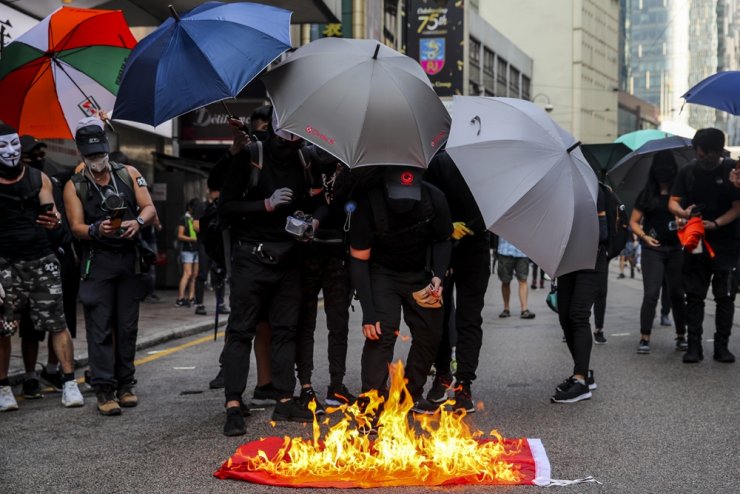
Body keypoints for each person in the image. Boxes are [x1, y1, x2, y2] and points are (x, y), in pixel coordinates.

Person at [218, 118, 322, 436]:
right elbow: (225, 207)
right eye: (285, 134)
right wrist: (266, 204)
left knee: (285, 331)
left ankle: (286, 397)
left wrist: (312, 222)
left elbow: (319, 202)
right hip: (252, 256)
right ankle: (233, 404)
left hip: (289, 257)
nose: (290, 140)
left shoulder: (306, 157)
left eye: (296, 136)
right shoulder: (252, 154)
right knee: (240, 331)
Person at [64, 116, 157, 415]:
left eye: (101, 155)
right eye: (91, 157)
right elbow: (76, 226)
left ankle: (126, 384)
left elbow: (150, 207)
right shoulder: (74, 185)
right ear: (81, 155)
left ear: (107, 150)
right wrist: (95, 230)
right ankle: (104, 390)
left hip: (128, 258)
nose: (98, 161)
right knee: (100, 326)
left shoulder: (129, 173)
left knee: (127, 326)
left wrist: (137, 222)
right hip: (98, 261)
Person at [350, 166, 453, 416]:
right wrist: (368, 313)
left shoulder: (434, 198)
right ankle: (373, 402)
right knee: (381, 333)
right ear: (386, 188)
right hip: (382, 273)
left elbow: (443, 240)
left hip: (421, 273)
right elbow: (359, 259)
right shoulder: (369, 202)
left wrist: (438, 276)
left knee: (431, 333)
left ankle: (410, 394)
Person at [0, 123, 84, 412]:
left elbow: (53, 216)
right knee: (4, 327)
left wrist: (55, 221)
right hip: (5, 266)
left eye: (13, 145)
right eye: (3, 147)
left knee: (58, 323)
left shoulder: (40, 179)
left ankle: (69, 382)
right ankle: (4, 389)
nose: (10, 152)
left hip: (41, 260)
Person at [424, 150, 490, 413]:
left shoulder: (486, 162)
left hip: (475, 247)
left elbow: (494, 209)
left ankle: (464, 383)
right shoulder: (438, 160)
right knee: (438, 315)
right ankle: (442, 376)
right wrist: (446, 228)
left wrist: (472, 226)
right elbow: (427, 199)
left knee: (469, 318)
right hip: (443, 246)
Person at [669, 128, 740, 364]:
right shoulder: (688, 171)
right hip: (696, 242)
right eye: (699, 154)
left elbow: (737, 207)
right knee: (694, 296)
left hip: (727, 244)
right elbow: (673, 201)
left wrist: (716, 224)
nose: (702, 158)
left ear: (717, 151)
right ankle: (694, 346)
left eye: (705, 154)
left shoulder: (732, 170)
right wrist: (683, 212)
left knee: (725, 297)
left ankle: (722, 346)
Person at [17, 134, 80, 397]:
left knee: (60, 318)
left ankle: (55, 370)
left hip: (58, 259)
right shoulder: (13, 184)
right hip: (22, 260)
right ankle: (30, 375)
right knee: (28, 326)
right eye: (32, 155)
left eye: (41, 153)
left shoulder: (53, 180)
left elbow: (77, 170)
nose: (38, 158)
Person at [294, 145, 356, 410]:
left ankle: (336, 385)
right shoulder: (305, 160)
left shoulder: (349, 165)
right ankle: (306, 386)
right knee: (306, 322)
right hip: (307, 252)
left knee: (338, 323)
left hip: (338, 254)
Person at [551, 188, 607, 404]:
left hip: (591, 259)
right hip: (568, 260)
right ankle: (583, 371)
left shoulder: (594, 189)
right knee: (564, 316)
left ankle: (581, 381)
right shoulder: (561, 190)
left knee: (577, 315)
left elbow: (602, 233)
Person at [629, 151, 687, 354]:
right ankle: (645, 337)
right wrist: (644, 237)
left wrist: (684, 221)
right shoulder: (647, 194)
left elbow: (691, 219)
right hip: (653, 250)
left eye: (668, 169)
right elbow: (633, 222)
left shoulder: (681, 195)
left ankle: (681, 335)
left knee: (678, 294)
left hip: (676, 249)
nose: (664, 173)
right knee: (651, 294)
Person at [495, 237, 536, 319]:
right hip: (504, 250)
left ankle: (524, 309)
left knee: (523, 280)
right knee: (505, 281)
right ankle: (506, 309)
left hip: (522, 251)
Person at [175, 198, 200, 307]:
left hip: (196, 249)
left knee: (194, 275)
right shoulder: (184, 219)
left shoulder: (197, 218)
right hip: (187, 250)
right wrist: (192, 239)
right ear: (189, 208)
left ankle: (191, 297)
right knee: (187, 274)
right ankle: (180, 298)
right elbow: (180, 235)